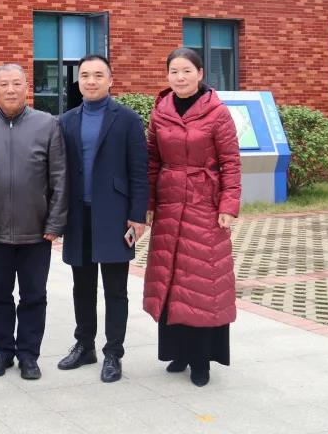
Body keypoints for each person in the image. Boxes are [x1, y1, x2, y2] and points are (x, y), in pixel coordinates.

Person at [144, 47, 240, 387]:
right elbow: (152, 161)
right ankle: (178, 352)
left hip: (204, 204)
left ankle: (202, 360)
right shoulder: (160, 111)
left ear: (200, 73)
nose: (180, 77)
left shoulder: (217, 112)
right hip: (169, 202)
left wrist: (228, 206)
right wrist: (149, 202)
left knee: (202, 280)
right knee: (172, 279)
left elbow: (231, 162)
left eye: (186, 71)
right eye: (174, 71)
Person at [0, 64, 66, 381]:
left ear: (27, 88)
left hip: (36, 231)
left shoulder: (48, 124)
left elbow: (60, 177)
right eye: (4, 84)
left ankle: (28, 355)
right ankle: (1, 352)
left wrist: (54, 223)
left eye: (16, 84)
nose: (10, 90)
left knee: (34, 296)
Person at [58, 55, 148, 383]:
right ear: (78, 81)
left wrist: (137, 215)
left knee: (115, 289)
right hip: (78, 215)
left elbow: (139, 171)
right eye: (85, 75)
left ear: (111, 80)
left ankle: (113, 352)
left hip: (115, 215)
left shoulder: (127, 120)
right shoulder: (66, 120)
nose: (91, 81)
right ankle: (85, 345)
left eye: (98, 75)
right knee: (82, 286)